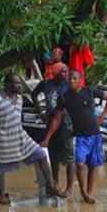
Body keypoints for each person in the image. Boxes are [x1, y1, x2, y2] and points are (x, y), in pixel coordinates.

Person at [0, 73, 64, 204]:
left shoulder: (20, 99)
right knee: (1, 166)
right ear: (7, 85)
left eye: (20, 83)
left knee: (40, 154)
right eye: (16, 84)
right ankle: (1, 195)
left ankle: (50, 185)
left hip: (20, 136)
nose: (20, 86)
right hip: (3, 139)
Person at [41, 70, 107, 204]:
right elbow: (56, 119)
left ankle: (89, 193)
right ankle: (83, 191)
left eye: (74, 79)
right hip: (79, 136)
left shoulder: (90, 91)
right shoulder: (64, 97)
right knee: (79, 164)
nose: (71, 81)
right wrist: (47, 138)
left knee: (93, 165)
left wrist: (103, 115)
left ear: (80, 79)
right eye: (70, 78)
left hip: (95, 134)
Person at [31, 62, 75, 195]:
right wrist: (40, 111)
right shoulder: (46, 84)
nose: (66, 75)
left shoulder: (69, 86)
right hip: (51, 124)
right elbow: (34, 95)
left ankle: (69, 188)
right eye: (63, 72)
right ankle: (54, 183)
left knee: (69, 159)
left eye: (67, 72)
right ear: (55, 73)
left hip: (67, 126)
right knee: (54, 158)